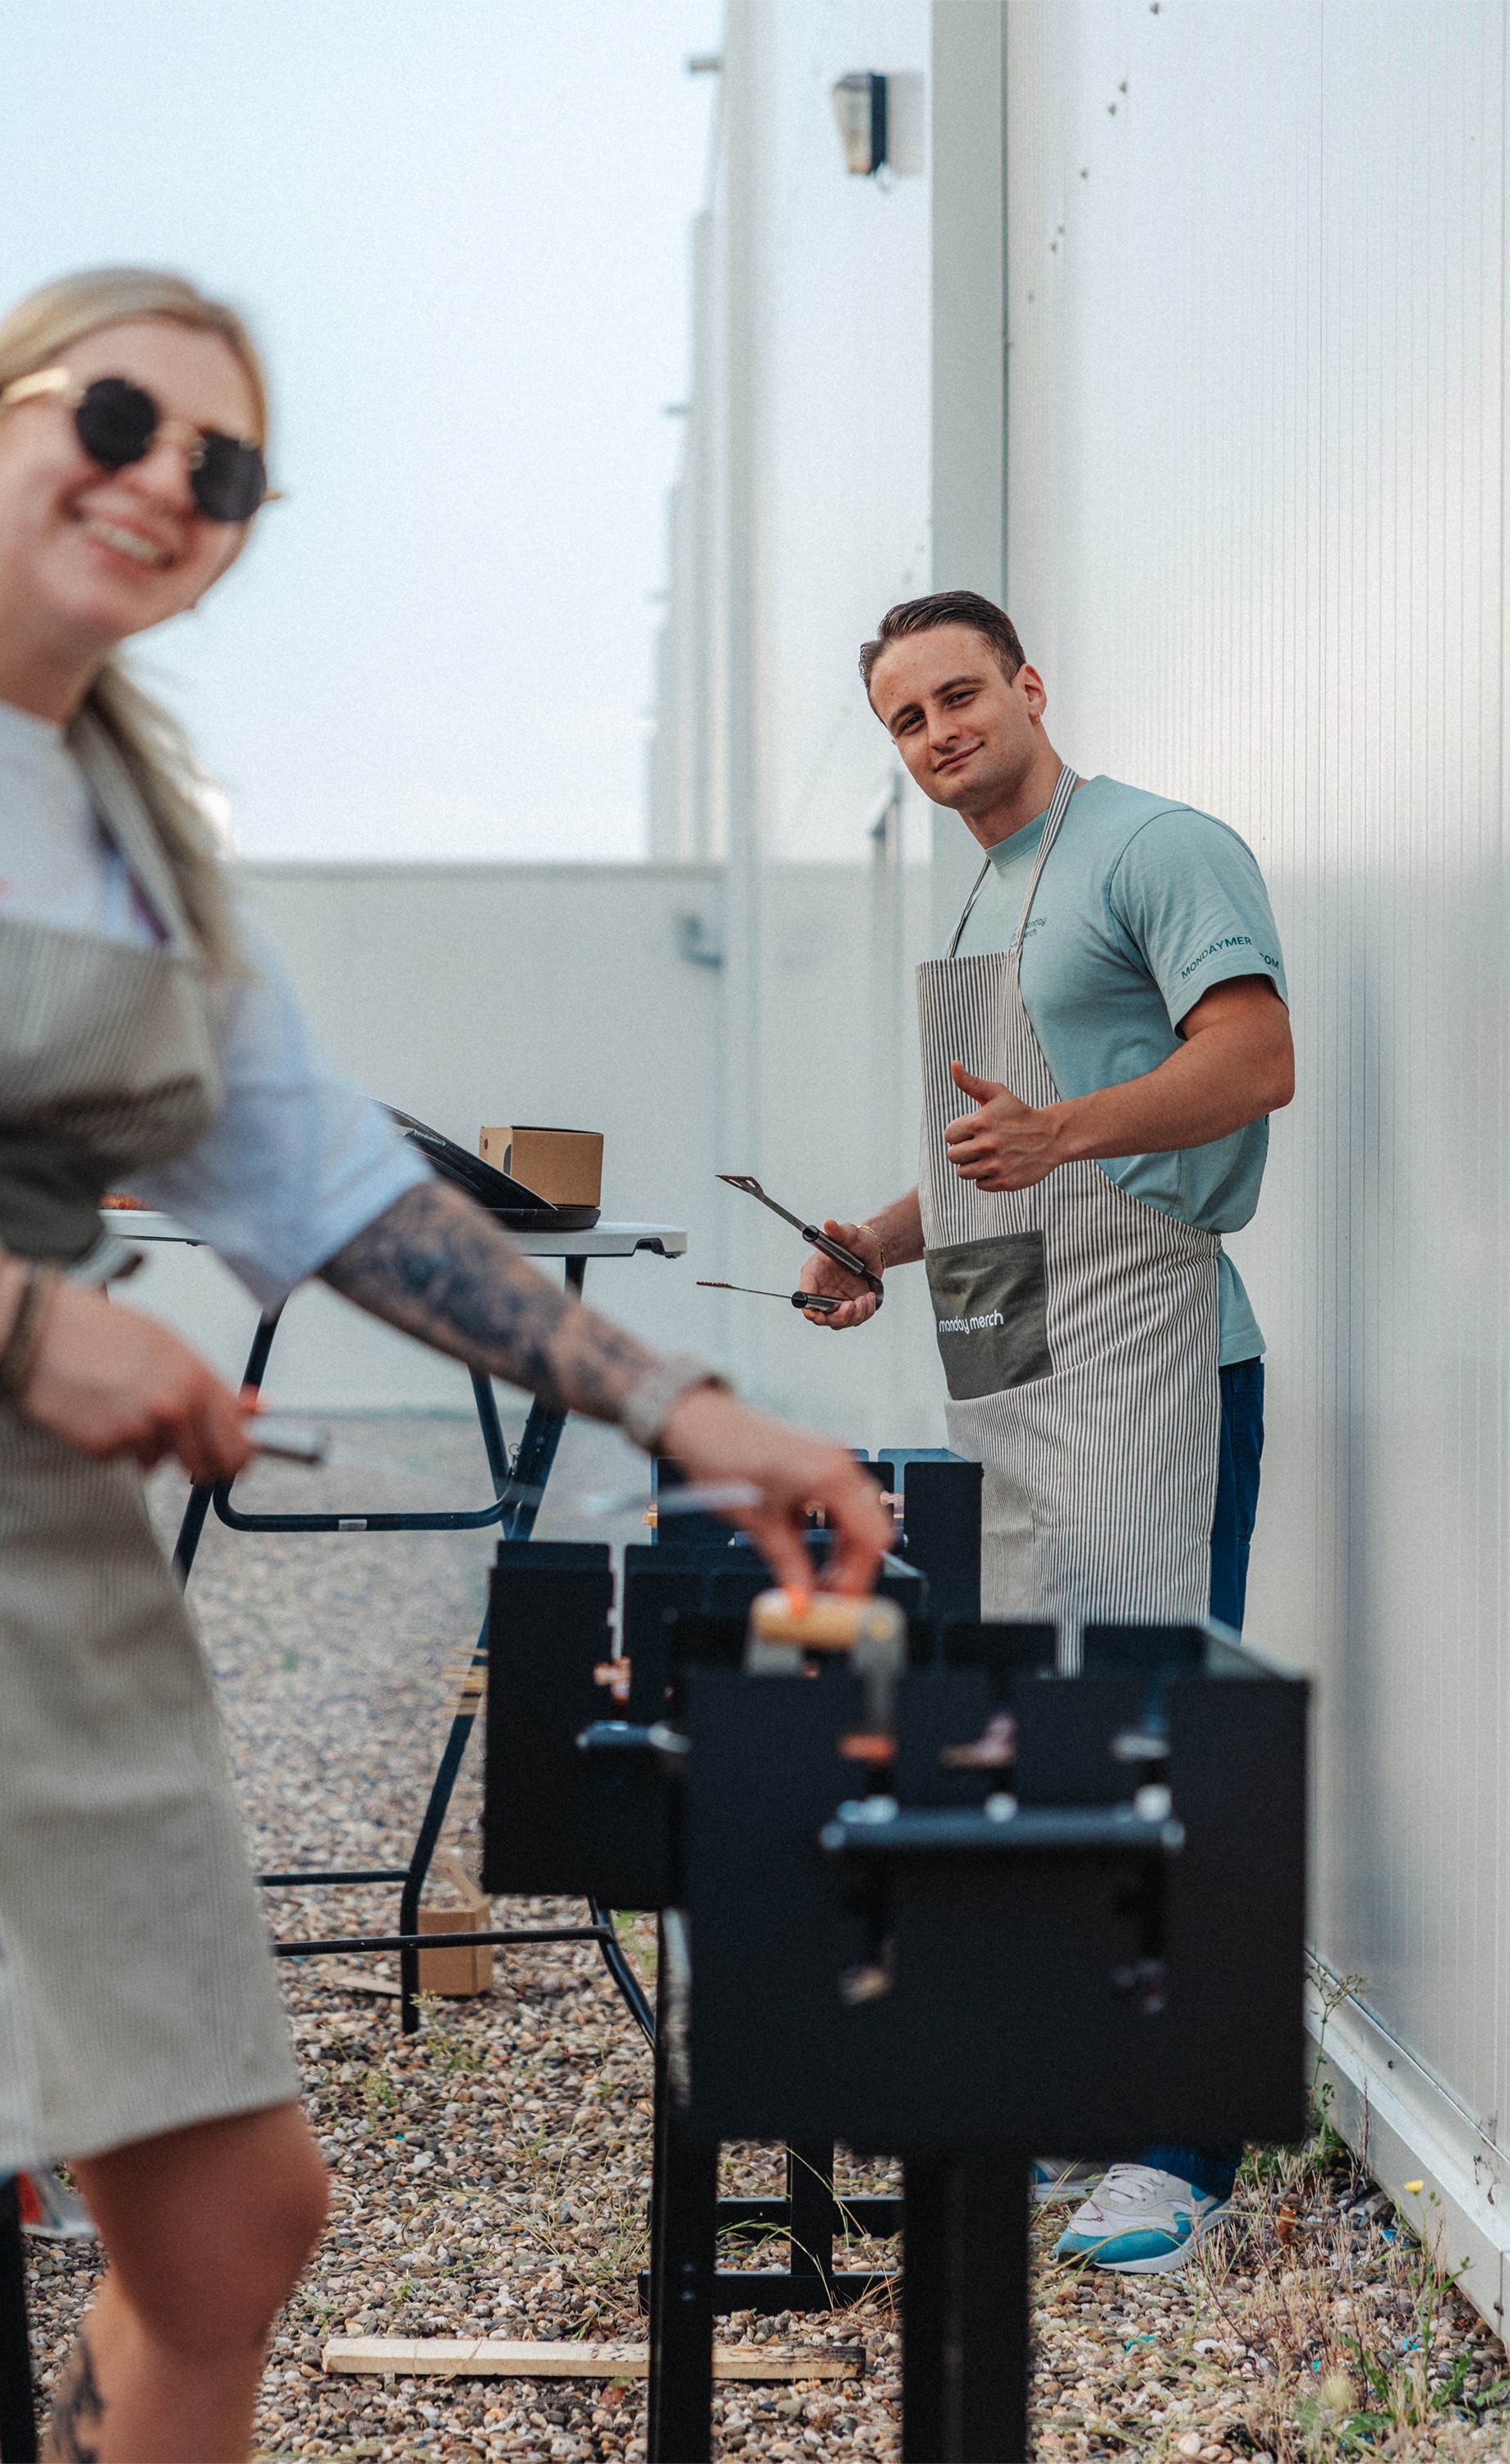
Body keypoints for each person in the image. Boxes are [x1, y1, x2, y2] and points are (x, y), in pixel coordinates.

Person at [0, 267, 890, 2464]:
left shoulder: (136, 827)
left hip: (46, 1581)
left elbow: (339, 1187)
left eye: (221, 472)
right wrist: (5, 1312)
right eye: (121, 421)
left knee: (232, 2216)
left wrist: (690, 1411)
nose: (164, 486)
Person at [799, 588, 1293, 2273]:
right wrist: (873, 1240)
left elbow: (1252, 1063)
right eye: (905, 720)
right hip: (1026, 1355)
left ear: (1024, 685)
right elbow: (997, 1159)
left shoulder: (1159, 849)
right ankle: (1092, 2096)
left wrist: (1065, 1131)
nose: (939, 735)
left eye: (958, 697)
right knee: (1049, 1746)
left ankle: (1184, 2144)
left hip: (1157, 1346)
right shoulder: (996, 886)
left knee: (1162, 1739)